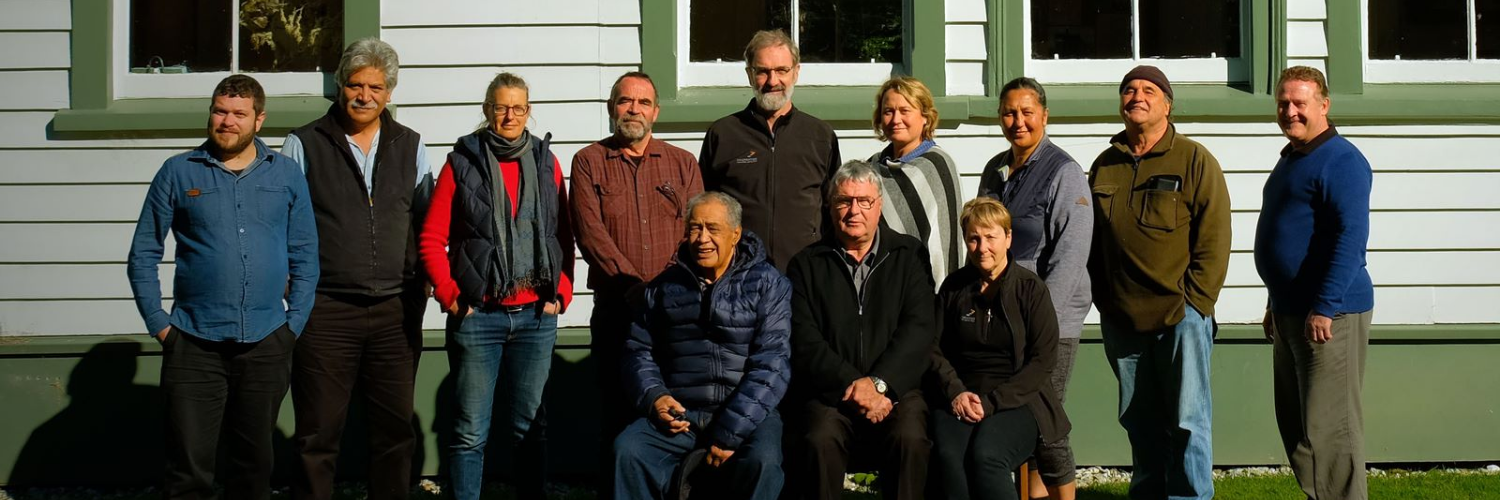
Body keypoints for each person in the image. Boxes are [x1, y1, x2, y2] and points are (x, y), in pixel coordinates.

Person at [126, 74, 318, 500]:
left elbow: (306, 253)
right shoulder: (177, 172)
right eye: (219, 110)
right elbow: (143, 253)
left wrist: (294, 325)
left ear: (259, 120)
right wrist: (160, 325)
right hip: (193, 343)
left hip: (267, 341)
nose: (227, 121)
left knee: (253, 468)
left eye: (238, 113)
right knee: (189, 470)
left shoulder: (285, 174)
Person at [281, 38, 432, 500]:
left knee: (393, 432)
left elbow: (426, 221)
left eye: (376, 87)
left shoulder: (411, 144)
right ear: (339, 86)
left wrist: (422, 284)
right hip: (326, 308)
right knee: (318, 432)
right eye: (355, 84)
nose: (364, 95)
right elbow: (280, 219)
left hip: (395, 309)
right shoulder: (303, 143)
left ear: (389, 93)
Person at [418, 72, 575, 500]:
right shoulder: (462, 163)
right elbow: (432, 237)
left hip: (535, 317)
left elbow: (562, 234)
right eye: (501, 107)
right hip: (478, 316)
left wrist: (561, 293)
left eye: (518, 108)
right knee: (470, 430)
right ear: (487, 110)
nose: (510, 116)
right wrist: (451, 297)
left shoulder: (547, 162)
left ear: (529, 111)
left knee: (531, 425)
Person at [1087, 65, 1231, 500]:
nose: (1137, 96)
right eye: (1129, 90)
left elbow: (1215, 236)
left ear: (1167, 104)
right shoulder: (1104, 164)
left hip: (1179, 316)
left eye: (1149, 90)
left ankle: (1189, 497)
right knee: (1139, 421)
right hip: (1122, 320)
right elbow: (1090, 239)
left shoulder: (1193, 159)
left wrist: (1196, 305)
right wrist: (1104, 301)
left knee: (1188, 421)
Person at [571, 70, 704, 497]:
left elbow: (697, 232)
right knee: (615, 405)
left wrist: (666, 291)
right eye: (626, 101)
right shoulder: (589, 161)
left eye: (643, 103)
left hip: (677, 312)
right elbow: (590, 233)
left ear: (656, 112)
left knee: (676, 406)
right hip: (617, 309)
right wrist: (635, 289)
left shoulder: (682, 163)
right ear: (612, 108)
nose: (634, 109)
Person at [613, 192, 791, 500]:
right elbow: (637, 350)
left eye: (713, 228)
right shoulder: (664, 287)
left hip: (748, 413)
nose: (702, 238)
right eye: (695, 228)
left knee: (763, 462)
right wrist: (656, 397)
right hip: (682, 413)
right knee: (628, 450)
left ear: (736, 234)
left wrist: (729, 432)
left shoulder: (768, 283)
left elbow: (772, 364)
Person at [1254, 66, 1374, 500]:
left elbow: (1351, 239)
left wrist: (1325, 305)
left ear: (1324, 105)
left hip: (1330, 315)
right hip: (1290, 312)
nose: (1290, 111)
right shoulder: (1293, 158)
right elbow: (1290, 236)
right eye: (1283, 103)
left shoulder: (1342, 161)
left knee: (1330, 432)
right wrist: (1274, 300)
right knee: (1299, 429)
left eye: (1300, 103)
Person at [784, 161, 935, 500]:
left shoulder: (908, 255)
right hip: (831, 393)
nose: (854, 210)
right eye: (844, 201)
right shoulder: (806, 264)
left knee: (910, 438)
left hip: (897, 389)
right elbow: (804, 339)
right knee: (819, 439)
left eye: (864, 201)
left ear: (879, 205)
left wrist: (880, 383)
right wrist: (853, 386)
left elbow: (920, 329)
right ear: (830, 205)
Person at [975, 77, 1090, 500]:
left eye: (1027, 112)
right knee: (1017, 420)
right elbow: (982, 236)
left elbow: (1071, 256)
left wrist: (1041, 323)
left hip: (1049, 321)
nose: (1017, 121)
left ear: (1044, 116)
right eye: (1009, 112)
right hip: (1003, 319)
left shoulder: (1064, 172)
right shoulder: (995, 170)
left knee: (1046, 419)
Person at [929, 197, 1071, 500]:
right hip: (960, 397)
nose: (982, 248)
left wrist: (992, 402)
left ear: (1008, 238)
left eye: (991, 237)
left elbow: (1043, 360)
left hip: (1017, 401)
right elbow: (933, 348)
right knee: (948, 457)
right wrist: (955, 392)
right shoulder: (954, 288)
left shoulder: (1030, 290)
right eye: (974, 239)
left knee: (987, 455)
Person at [699, 29, 841, 271]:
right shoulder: (723, 134)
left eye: (782, 70)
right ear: (749, 75)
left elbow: (834, 210)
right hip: (738, 276)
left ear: (796, 72)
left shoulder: (820, 136)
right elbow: (705, 209)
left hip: (805, 275)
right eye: (763, 71)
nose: (773, 81)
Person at [865, 76, 964, 282]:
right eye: (888, 111)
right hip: (878, 285)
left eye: (905, 110)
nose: (895, 119)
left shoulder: (938, 166)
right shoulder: (870, 168)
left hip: (921, 288)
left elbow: (944, 242)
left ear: (925, 116)